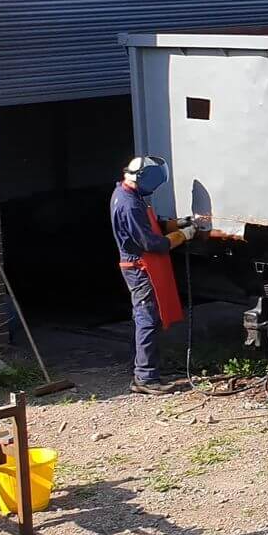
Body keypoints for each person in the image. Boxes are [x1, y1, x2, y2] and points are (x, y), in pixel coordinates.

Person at [111, 156, 202, 394]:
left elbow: (154, 224)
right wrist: (185, 234)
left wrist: (180, 223)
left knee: (147, 318)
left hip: (139, 265)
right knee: (147, 319)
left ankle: (146, 371)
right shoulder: (128, 204)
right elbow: (154, 243)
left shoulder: (129, 193)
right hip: (139, 267)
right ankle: (146, 378)